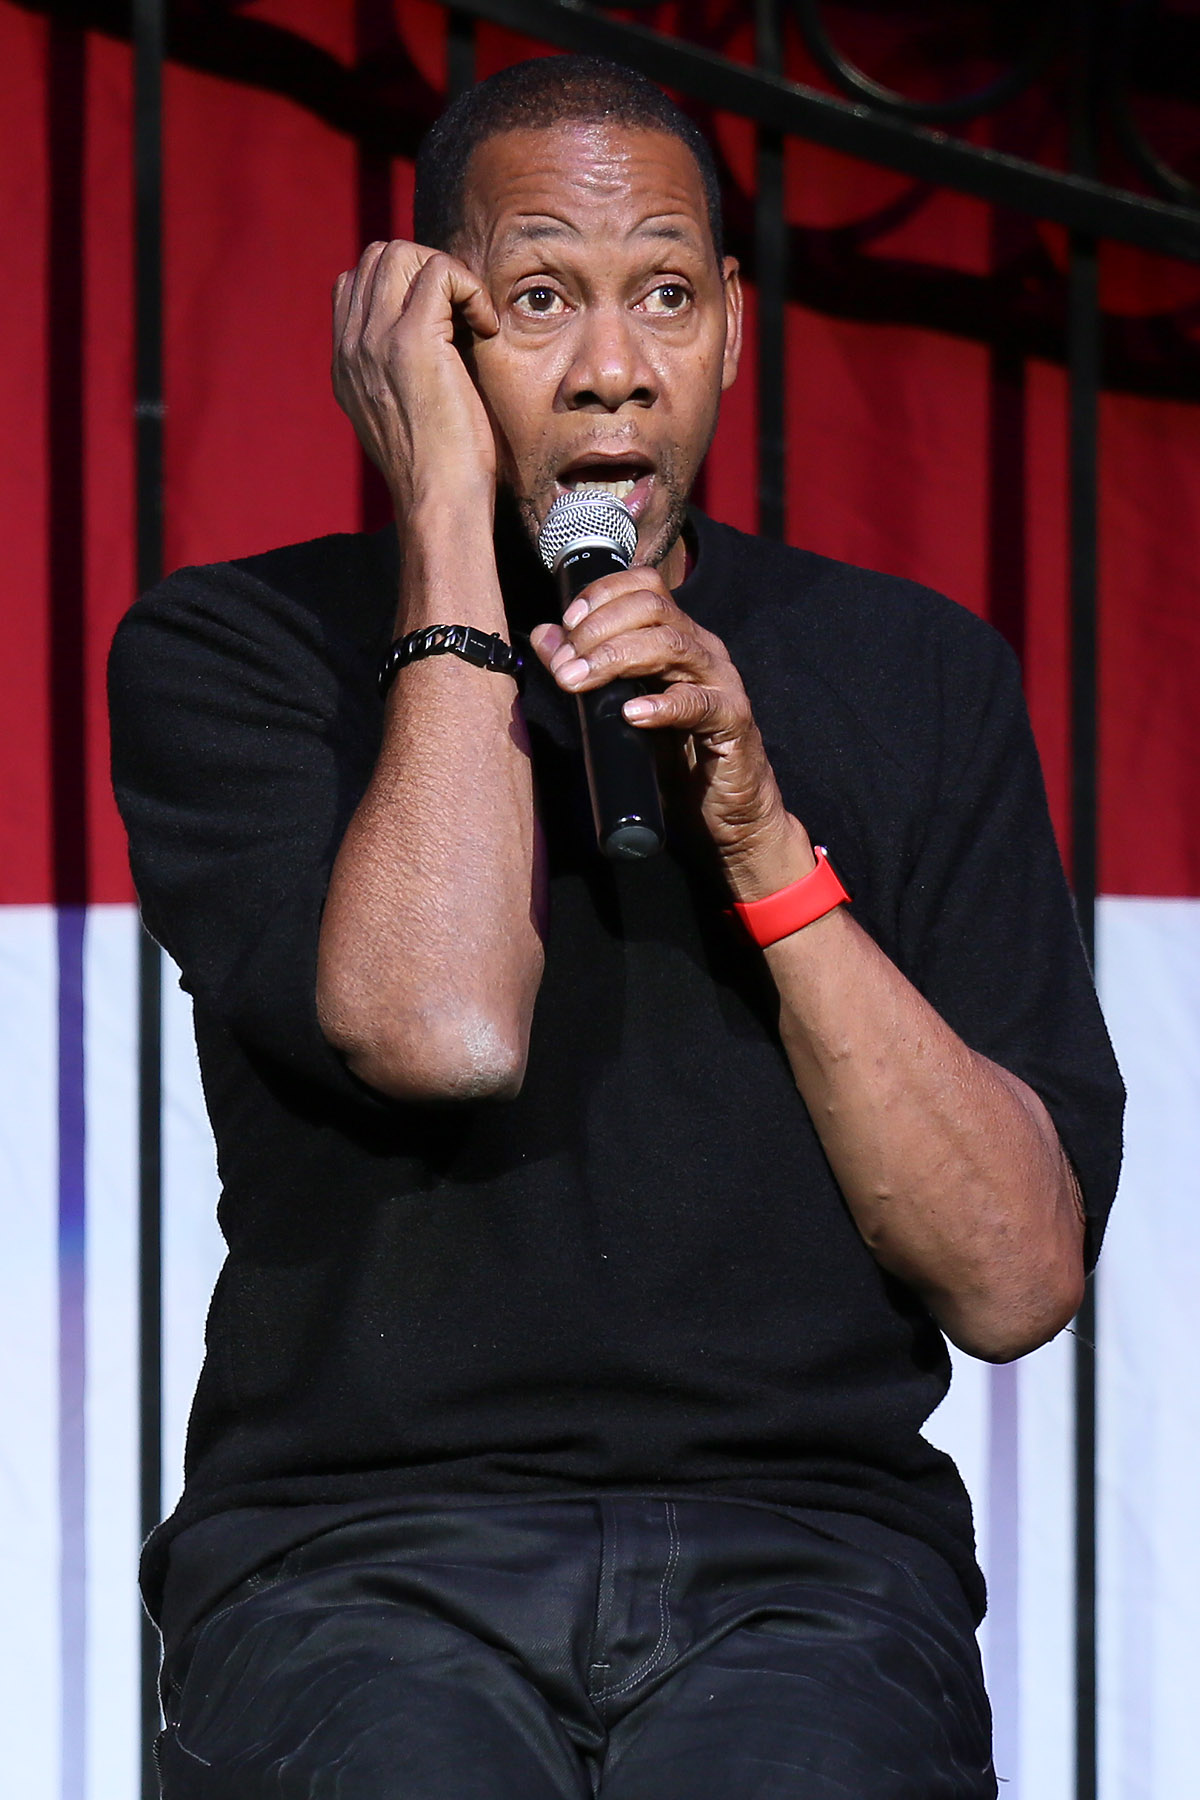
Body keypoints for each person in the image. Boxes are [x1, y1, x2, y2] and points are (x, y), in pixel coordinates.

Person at [108, 54, 1123, 1800]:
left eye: (663, 295)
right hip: (365, 1557)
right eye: (536, 300)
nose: (611, 367)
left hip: (807, 1564)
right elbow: (443, 1033)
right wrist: (444, 520)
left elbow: (1015, 1276)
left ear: (731, 326)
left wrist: (761, 840)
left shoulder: (918, 672)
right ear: (428, 334)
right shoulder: (237, 651)